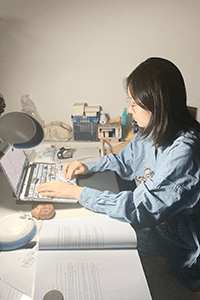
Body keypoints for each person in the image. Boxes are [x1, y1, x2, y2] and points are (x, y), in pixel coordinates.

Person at [37, 57, 200, 289]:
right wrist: (89, 167)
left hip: (178, 250)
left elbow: (139, 208)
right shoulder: (151, 129)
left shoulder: (184, 152)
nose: (130, 110)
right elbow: (125, 160)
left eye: (134, 104)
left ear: (157, 106)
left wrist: (77, 193)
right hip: (155, 233)